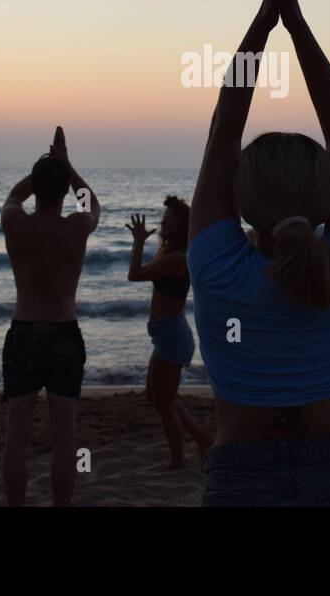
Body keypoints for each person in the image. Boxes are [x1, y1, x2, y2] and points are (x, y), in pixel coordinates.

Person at [188, 0, 330, 507]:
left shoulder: (217, 266)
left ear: (241, 200)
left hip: (239, 478)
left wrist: (264, 22)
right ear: (328, 198)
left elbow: (224, 127)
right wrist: (295, 26)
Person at [0, 126, 101, 506]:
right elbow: (93, 204)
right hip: (63, 334)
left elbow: (13, 195)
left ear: (37, 188)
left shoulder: (15, 223)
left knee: (16, 438)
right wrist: (66, 164)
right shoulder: (75, 227)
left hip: (24, 331)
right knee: (65, 438)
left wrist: (44, 169)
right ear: (63, 193)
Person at [125, 196, 212, 467]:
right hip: (166, 334)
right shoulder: (170, 253)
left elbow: (135, 274)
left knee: (163, 402)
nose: (163, 222)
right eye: (163, 218)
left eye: (169, 220)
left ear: (181, 225)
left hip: (172, 337)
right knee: (157, 396)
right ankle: (201, 439)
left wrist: (138, 240)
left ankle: (178, 459)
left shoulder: (176, 258)